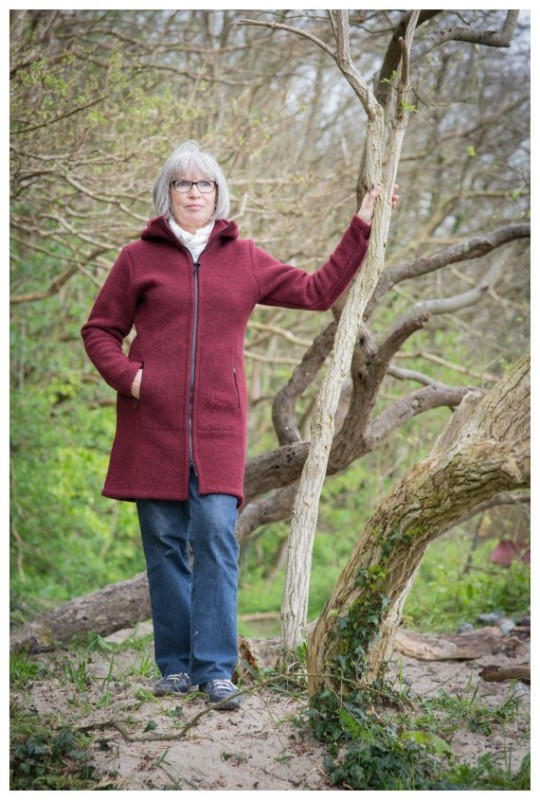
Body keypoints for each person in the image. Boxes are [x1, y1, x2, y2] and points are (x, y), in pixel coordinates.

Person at [81, 140, 397, 711]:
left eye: (204, 184)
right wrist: (132, 380)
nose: (195, 193)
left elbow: (317, 290)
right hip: (150, 426)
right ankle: (176, 668)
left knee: (216, 539)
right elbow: (100, 330)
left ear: (219, 194)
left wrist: (363, 227)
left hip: (220, 429)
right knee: (163, 544)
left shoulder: (245, 258)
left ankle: (216, 669)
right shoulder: (137, 259)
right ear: (167, 194)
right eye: (183, 184)